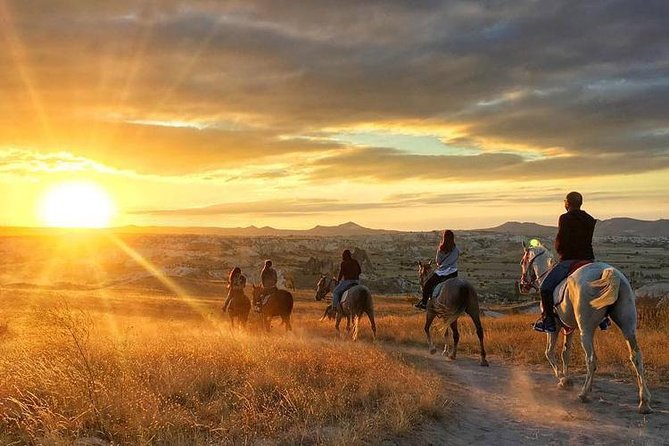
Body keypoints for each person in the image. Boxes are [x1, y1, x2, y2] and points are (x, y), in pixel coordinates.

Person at [533, 191, 597, 333]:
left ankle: (548, 321)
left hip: (570, 260)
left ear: (567, 203)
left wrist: (559, 251)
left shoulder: (565, 218)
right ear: (581, 203)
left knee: (545, 288)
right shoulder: (590, 219)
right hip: (588, 260)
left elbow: (561, 241)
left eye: (564, 201)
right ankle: (604, 318)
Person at [415, 230, 459, 310]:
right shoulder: (456, 249)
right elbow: (455, 259)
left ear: (444, 238)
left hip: (442, 272)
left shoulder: (441, 249)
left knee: (428, 285)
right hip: (454, 273)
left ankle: (424, 303)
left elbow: (438, 262)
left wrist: (442, 265)